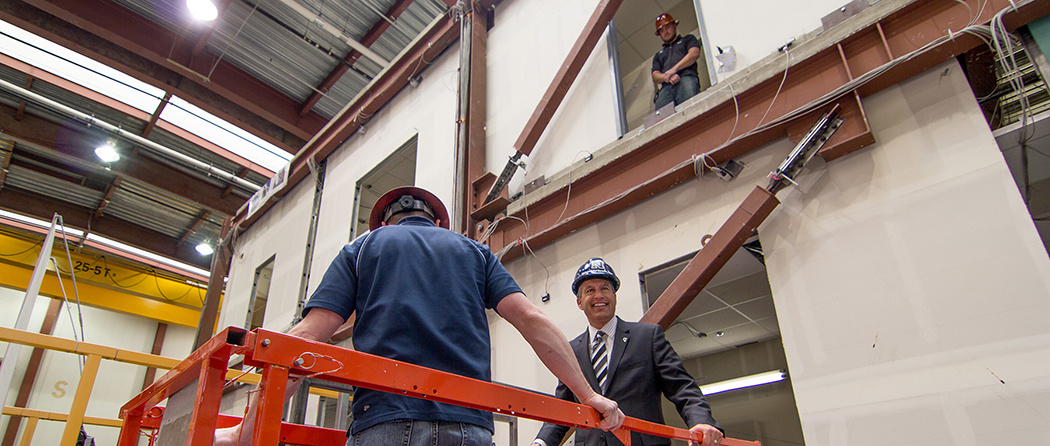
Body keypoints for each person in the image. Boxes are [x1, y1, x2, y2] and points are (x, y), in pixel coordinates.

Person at [214, 187, 624, 446]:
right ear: (438, 222)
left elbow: (307, 338)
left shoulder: (362, 248)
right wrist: (588, 396)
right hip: (470, 427)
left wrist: (246, 432)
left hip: (384, 422)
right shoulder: (474, 252)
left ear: (384, 221)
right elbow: (532, 320)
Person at [532, 258, 723, 446]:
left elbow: (682, 387)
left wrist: (701, 421)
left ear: (614, 296)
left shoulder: (647, 337)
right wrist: (540, 443)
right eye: (590, 290)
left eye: (605, 288)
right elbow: (563, 408)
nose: (598, 295)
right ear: (580, 302)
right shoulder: (570, 351)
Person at [651, 13, 703, 110]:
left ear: (675, 26)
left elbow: (694, 53)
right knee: (661, 118)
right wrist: (667, 77)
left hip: (686, 79)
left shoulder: (688, 39)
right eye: (662, 30)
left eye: (667, 27)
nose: (665, 32)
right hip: (666, 88)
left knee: (690, 110)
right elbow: (655, 75)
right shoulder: (658, 55)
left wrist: (674, 70)